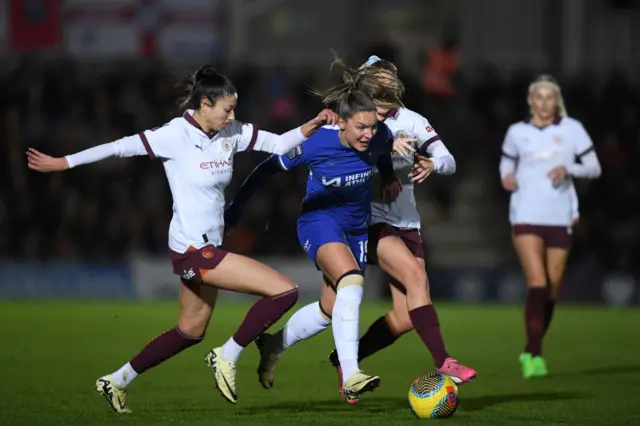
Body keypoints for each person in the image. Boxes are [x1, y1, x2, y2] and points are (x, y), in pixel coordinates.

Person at [26, 65, 338, 412]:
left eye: (234, 109)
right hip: (193, 249)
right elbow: (117, 147)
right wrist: (63, 163)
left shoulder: (230, 131)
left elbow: (278, 143)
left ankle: (116, 382)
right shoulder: (173, 135)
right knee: (285, 290)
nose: (232, 116)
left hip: (209, 246)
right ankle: (226, 355)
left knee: (190, 331)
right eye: (226, 109)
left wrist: (311, 125)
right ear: (205, 104)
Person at [225, 59, 410, 404]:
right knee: (352, 282)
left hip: (355, 229)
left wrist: (387, 176)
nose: (368, 134)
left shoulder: (379, 135)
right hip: (319, 222)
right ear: (341, 122)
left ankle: (273, 345)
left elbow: (382, 150)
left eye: (372, 127)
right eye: (360, 128)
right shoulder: (315, 144)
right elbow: (266, 170)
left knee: (328, 310)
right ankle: (351, 374)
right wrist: (235, 209)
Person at [322, 55, 476, 385]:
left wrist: (433, 166)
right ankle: (444, 361)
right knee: (416, 275)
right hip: (372, 220)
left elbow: (448, 159)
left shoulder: (413, 120)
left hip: (408, 222)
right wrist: (387, 156)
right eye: (380, 84)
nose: (387, 88)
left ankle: (346, 359)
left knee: (406, 316)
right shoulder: (354, 122)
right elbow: (349, 166)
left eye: (390, 83)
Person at [499, 74, 601, 379]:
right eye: (538, 97)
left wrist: (568, 167)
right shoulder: (517, 132)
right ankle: (536, 355)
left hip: (560, 215)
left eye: (549, 97)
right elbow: (506, 163)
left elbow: (594, 166)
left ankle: (530, 347)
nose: (544, 102)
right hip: (526, 214)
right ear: (530, 101)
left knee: (552, 288)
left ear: (556, 101)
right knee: (538, 282)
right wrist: (507, 176)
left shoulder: (573, 130)